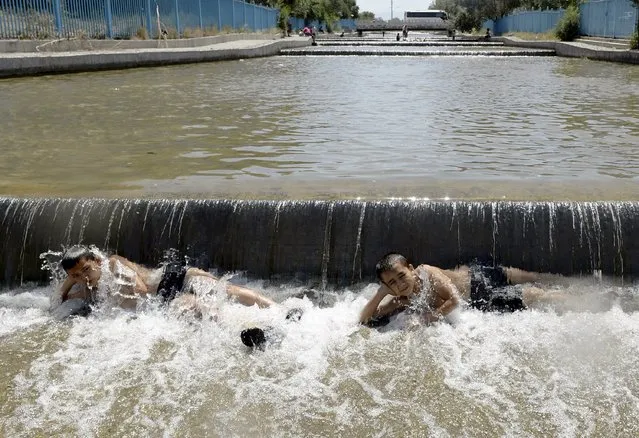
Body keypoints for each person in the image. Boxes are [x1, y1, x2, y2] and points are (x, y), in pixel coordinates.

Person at [359, 253, 566, 327]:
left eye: (401, 276)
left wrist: (429, 318)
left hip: (479, 281)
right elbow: (365, 319)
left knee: (537, 280)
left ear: (411, 269)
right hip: (481, 296)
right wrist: (381, 293)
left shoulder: (426, 273)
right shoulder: (401, 299)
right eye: (392, 283)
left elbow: (454, 300)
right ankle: (570, 296)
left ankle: (578, 291)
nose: (400, 284)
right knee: (534, 296)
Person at [56, 245, 275, 313]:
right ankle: (246, 331)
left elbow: (141, 290)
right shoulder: (91, 285)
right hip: (165, 298)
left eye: (86, 269)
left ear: (97, 260)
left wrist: (112, 291)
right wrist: (72, 282)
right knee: (201, 310)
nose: (83, 276)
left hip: (173, 278)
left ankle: (281, 310)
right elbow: (61, 298)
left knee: (227, 291)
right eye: (76, 275)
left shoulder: (112, 264)